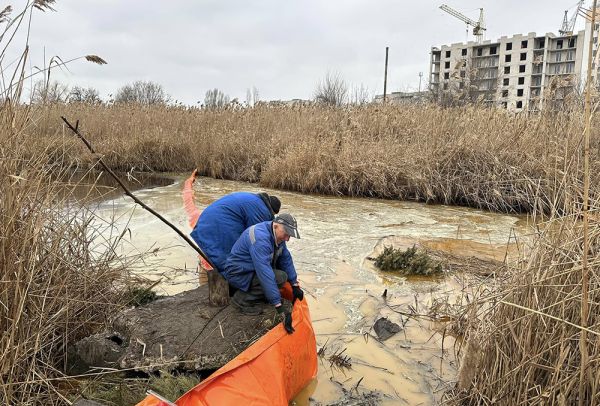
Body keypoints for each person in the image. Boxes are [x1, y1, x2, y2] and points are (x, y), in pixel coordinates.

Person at [223, 213, 304, 334]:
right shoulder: (261, 239)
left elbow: (286, 259)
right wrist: (279, 307)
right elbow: (265, 274)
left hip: (250, 269)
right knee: (279, 277)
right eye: (286, 233)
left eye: (289, 235)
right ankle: (241, 301)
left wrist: (294, 284)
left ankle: (258, 294)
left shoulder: (276, 235)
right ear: (276, 225)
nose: (287, 238)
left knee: (282, 276)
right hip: (238, 273)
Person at [190, 191, 281, 272]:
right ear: (272, 211)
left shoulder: (254, 198)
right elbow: (258, 239)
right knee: (229, 260)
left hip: (205, 221)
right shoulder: (262, 210)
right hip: (222, 224)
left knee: (214, 251)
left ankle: (210, 271)